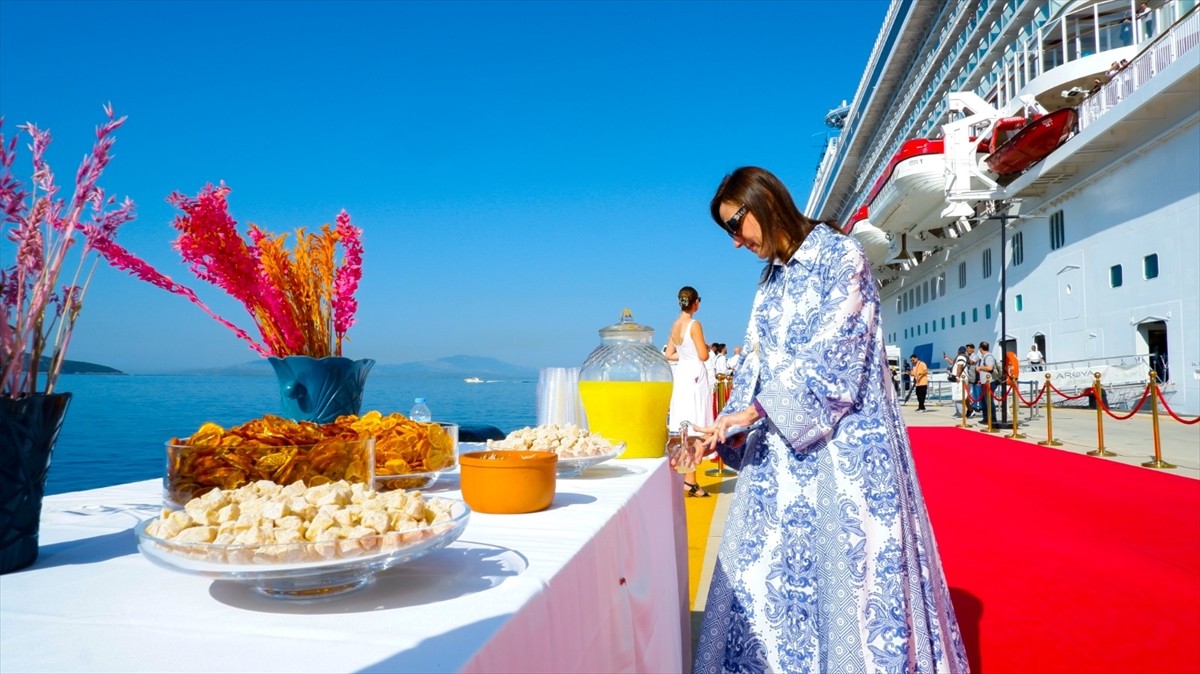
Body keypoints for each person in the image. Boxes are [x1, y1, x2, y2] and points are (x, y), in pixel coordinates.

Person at [685, 167, 967, 673]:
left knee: (853, 583)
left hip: (846, 445)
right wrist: (724, 424)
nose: (734, 243)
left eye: (735, 226)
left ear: (762, 203)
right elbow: (755, 361)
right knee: (768, 581)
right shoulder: (770, 279)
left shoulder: (841, 255)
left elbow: (838, 347)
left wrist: (755, 410)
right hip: (779, 451)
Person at [663, 285, 712, 498]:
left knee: (684, 426)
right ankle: (690, 480)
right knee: (694, 426)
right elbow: (703, 355)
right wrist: (707, 349)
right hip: (694, 375)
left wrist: (684, 357)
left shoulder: (675, 325)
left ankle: (689, 479)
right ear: (695, 303)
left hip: (682, 373)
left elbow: (669, 354)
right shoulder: (694, 324)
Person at [976, 341, 999, 423]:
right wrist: (980, 379)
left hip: (989, 382)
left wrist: (979, 368)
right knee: (984, 401)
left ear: (980, 348)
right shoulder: (984, 357)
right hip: (984, 382)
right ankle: (986, 418)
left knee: (989, 401)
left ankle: (992, 419)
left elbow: (989, 368)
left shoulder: (988, 356)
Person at [952, 346, 970, 418]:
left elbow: (960, 366)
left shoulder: (960, 357)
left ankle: (961, 414)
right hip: (959, 379)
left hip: (960, 379)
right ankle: (958, 412)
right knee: (956, 395)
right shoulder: (963, 357)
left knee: (959, 395)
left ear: (958, 351)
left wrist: (957, 376)